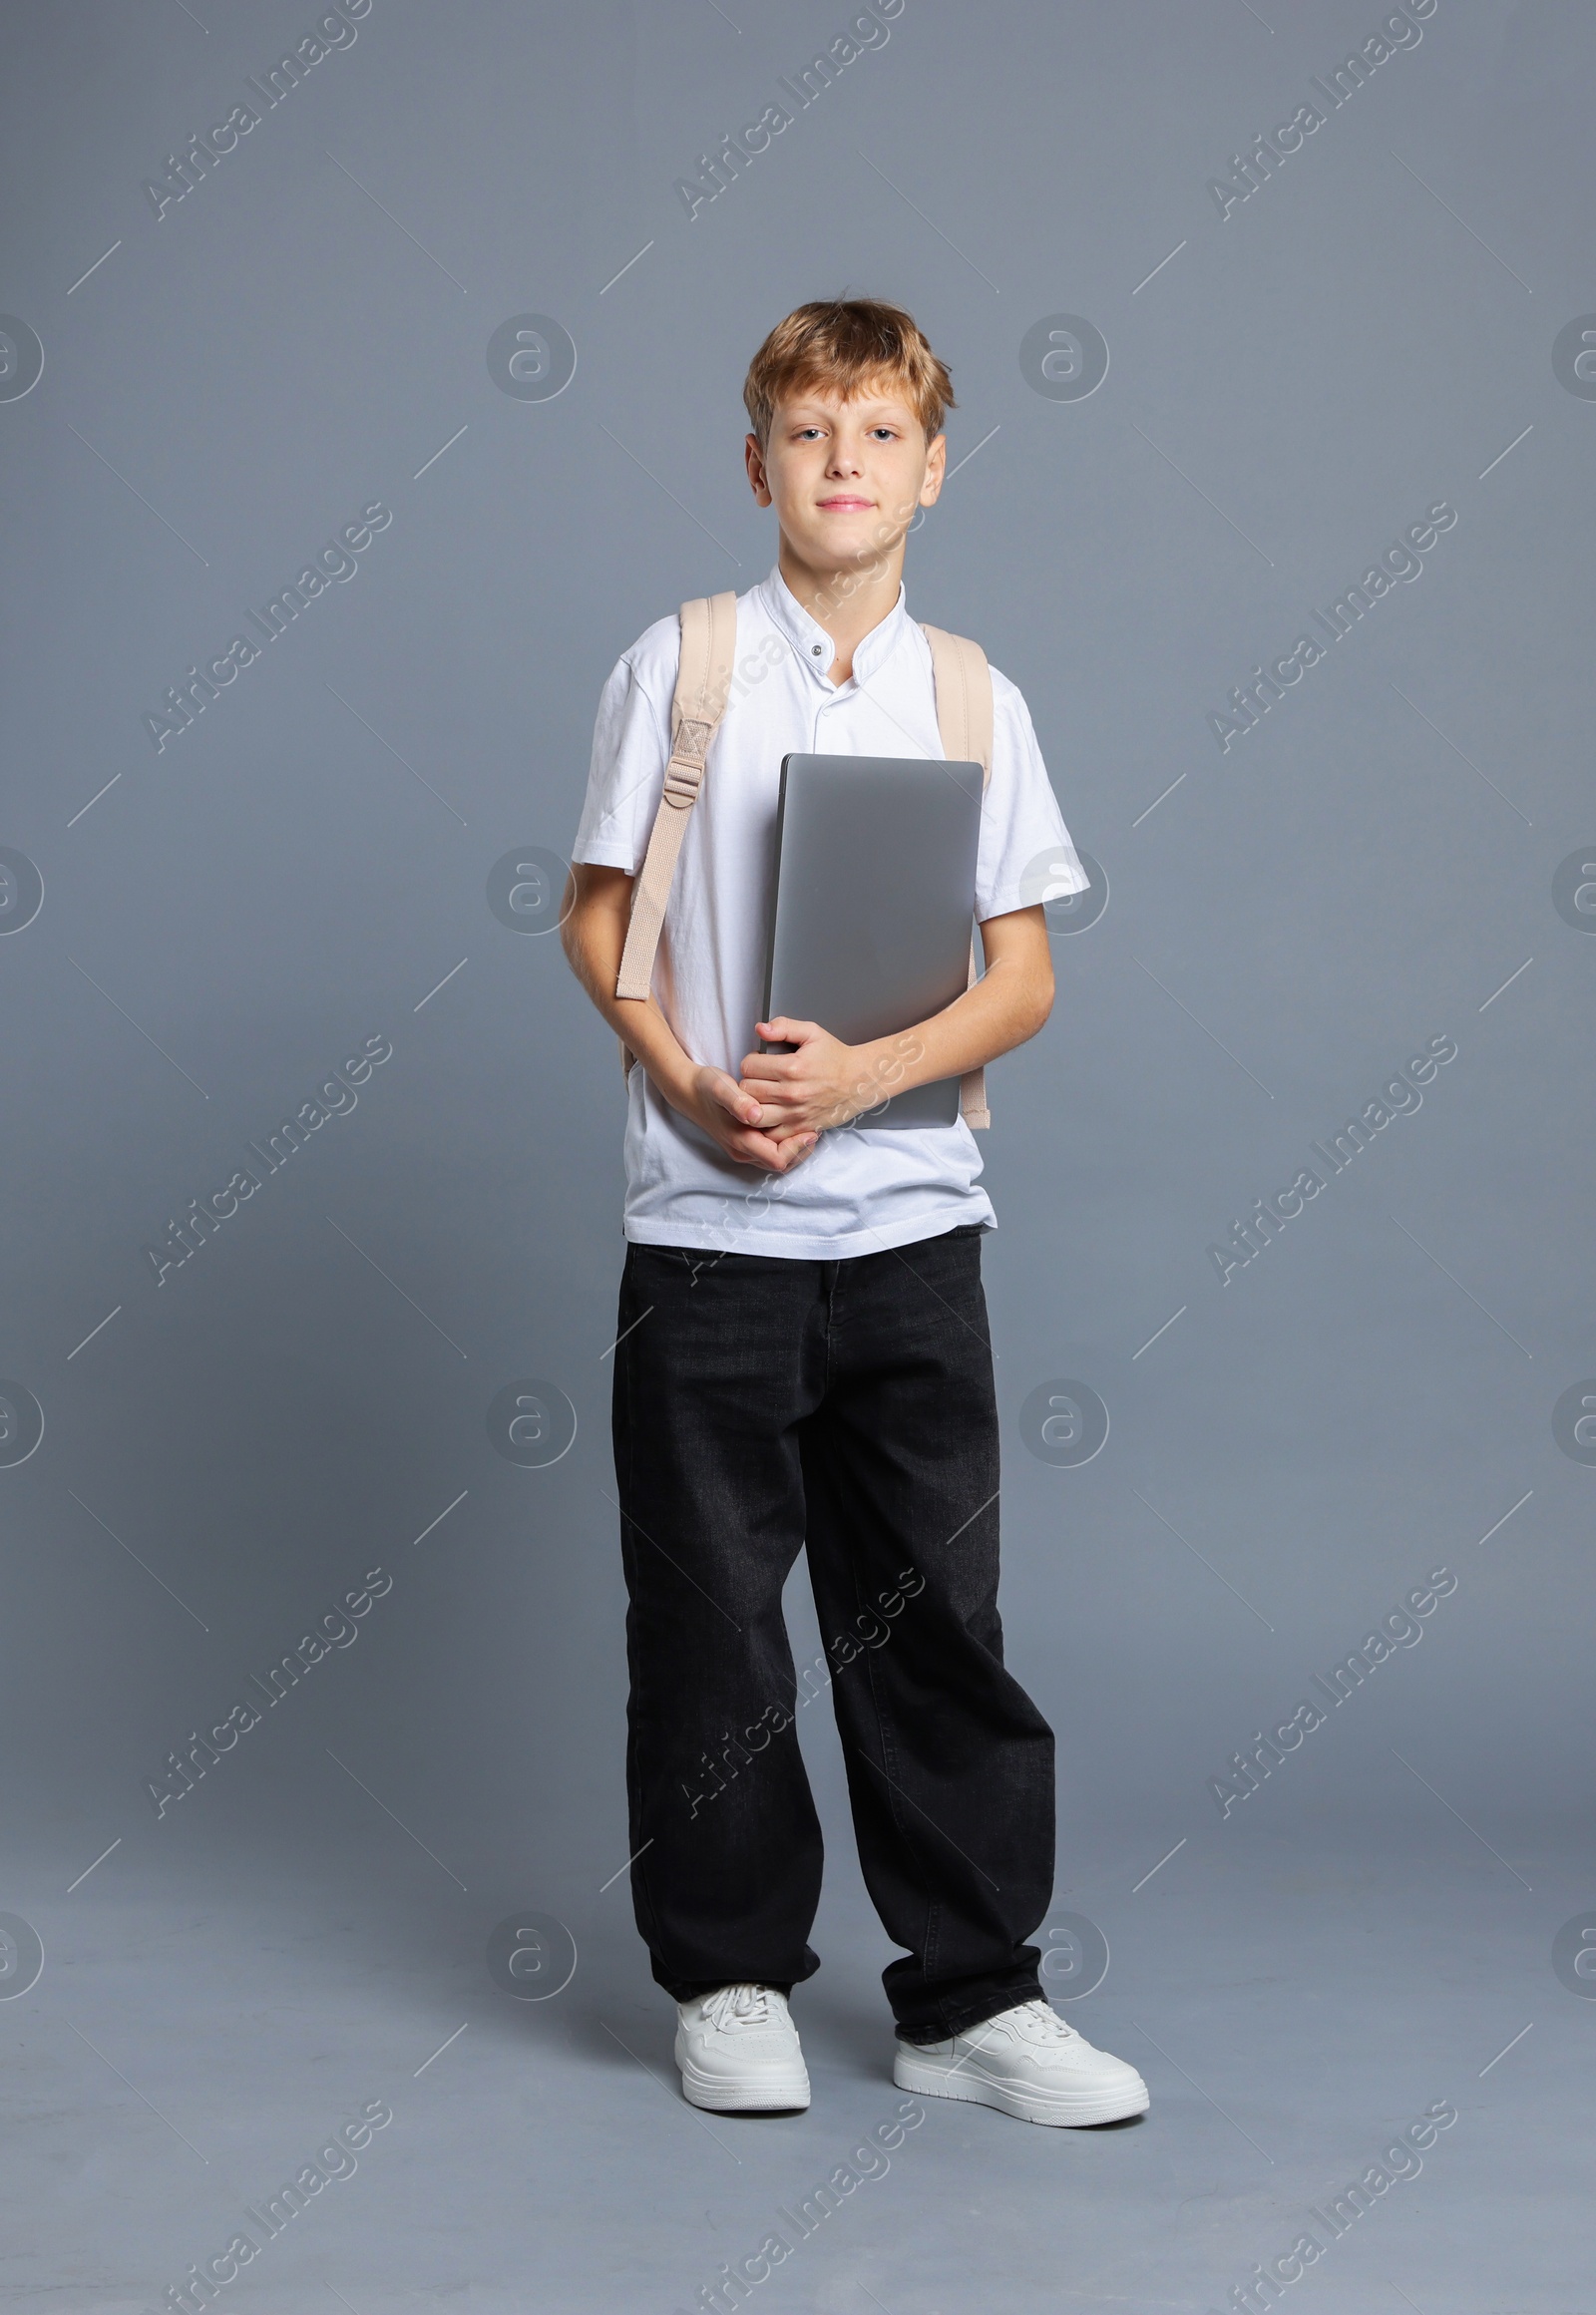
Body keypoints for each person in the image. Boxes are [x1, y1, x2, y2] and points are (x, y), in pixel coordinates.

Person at [561, 298, 1148, 2128]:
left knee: (937, 1621)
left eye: (880, 435)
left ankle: (970, 2000)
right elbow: (596, 920)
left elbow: (1023, 975)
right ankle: (730, 1976)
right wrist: (684, 1080)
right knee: (713, 1622)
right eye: (811, 433)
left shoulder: (977, 694)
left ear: (932, 468)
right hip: (708, 1244)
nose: (844, 464)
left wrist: (862, 1080)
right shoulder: (680, 665)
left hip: (910, 1240)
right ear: (760, 464)